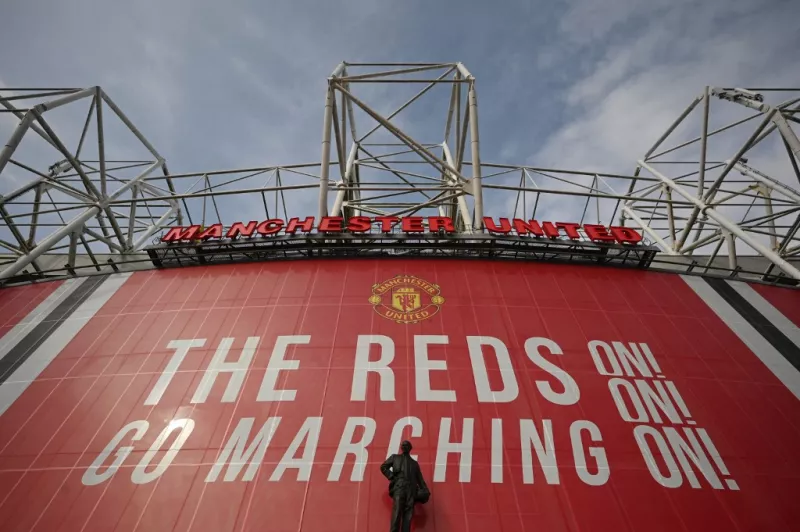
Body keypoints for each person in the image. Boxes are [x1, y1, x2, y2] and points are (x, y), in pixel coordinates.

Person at [380, 440, 429, 532]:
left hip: (411, 490)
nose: (404, 447)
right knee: (397, 511)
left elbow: (420, 479)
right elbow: (383, 467)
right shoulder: (395, 457)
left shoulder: (414, 463)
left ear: (410, 448)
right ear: (401, 447)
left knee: (408, 514)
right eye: (403, 445)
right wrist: (392, 477)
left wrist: (425, 490)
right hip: (399, 487)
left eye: (406, 445)